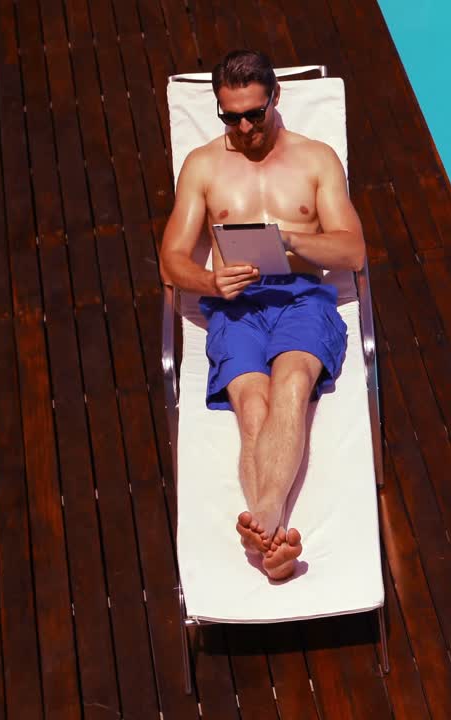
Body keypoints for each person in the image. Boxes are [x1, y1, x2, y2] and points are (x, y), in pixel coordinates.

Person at [159, 50, 366, 581]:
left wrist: (292, 239)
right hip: (236, 306)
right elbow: (172, 259)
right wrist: (208, 281)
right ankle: (275, 541)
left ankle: (264, 527)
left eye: (255, 112)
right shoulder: (203, 166)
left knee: (292, 381)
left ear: (275, 98)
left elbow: (352, 253)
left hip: (301, 297)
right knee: (253, 402)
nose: (245, 127)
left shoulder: (316, 159)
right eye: (231, 117)